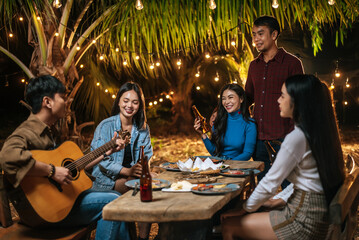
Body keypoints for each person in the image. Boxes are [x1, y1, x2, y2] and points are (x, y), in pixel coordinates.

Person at [0, 75, 130, 240]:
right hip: (47, 211)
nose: (66, 102)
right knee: (113, 203)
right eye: (62, 97)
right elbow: (7, 156)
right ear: (47, 102)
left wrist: (106, 151)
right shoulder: (27, 131)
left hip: (64, 201)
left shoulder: (49, 130)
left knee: (117, 200)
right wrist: (51, 171)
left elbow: (75, 166)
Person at [221, 74, 345, 240]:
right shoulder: (318, 132)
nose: (278, 101)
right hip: (314, 212)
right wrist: (277, 201)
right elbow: (307, 180)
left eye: (282, 96)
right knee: (259, 209)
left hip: (302, 220)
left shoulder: (297, 137)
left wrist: (244, 208)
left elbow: (270, 182)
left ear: (297, 101)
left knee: (228, 224)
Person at [88, 81, 153, 240]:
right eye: (126, 100)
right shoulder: (106, 125)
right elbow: (102, 161)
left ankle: (142, 238)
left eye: (134, 102)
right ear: (118, 102)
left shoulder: (142, 127)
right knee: (137, 190)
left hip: (130, 177)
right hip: (105, 179)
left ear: (140, 105)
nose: (129, 105)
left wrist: (143, 170)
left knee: (148, 187)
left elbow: (147, 156)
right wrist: (128, 171)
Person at [245, 16, 304, 182]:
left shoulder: (292, 63)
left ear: (274, 34)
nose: (256, 39)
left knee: (290, 189)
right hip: (258, 140)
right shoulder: (253, 66)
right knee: (262, 189)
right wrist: (219, 114)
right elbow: (247, 97)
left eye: (261, 33)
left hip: (285, 139)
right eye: (254, 34)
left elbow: (301, 102)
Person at [194, 83, 257, 161]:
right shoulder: (219, 120)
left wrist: (227, 165)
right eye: (223, 99)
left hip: (237, 167)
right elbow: (215, 152)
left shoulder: (249, 124)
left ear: (241, 99)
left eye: (230, 97)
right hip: (219, 165)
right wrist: (202, 134)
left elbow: (247, 153)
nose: (226, 102)